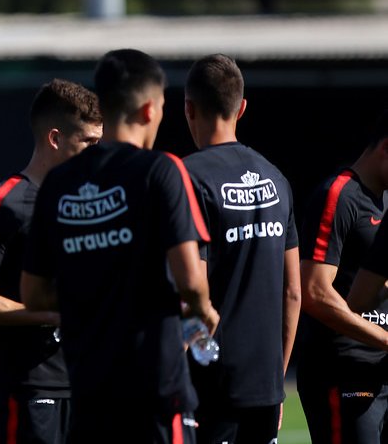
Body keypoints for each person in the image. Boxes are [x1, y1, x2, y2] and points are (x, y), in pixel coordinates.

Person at [21, 48, 219, 444]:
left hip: (88, 389)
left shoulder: (57, 185)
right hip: (156, 390)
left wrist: (92, 295)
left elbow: (33, 294)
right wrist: (204, 310)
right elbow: (191, 279)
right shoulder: (160, 170)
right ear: (149, 109)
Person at [0, 79, 103, 444]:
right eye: (89, 143)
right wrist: (49, 314)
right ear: (55, 138)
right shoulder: (7, 203)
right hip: (30, 386)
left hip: (88, 382)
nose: (98, 155)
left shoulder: (90, 200)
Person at [181, 54, 302, 443]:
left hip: (208, 389)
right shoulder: (277, 179)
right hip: (265, 388)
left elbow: (189, 290)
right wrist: (275, 379)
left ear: (188, 109)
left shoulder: (186, 179)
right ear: (242, 107)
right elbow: (293, 292)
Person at [295, 110, 388, 444]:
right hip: (343, 374)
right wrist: (384, 338)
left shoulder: (385, 201)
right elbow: (314, 292)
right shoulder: (338, 195)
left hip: (381, 372)